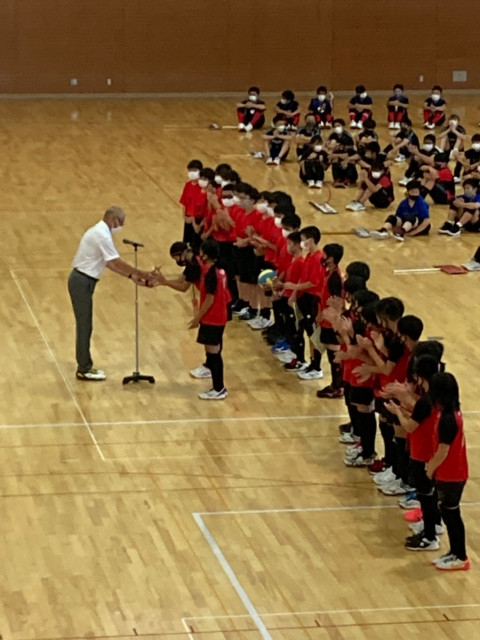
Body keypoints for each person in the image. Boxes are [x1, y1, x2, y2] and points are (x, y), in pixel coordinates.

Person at [68, 206, 152, 381]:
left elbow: (109, 263)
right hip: (82, 282)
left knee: (85, 325)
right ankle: (84, 368)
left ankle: (85, 365)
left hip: (84, 281)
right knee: (84, 325)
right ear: (113, 220)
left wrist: (131, 276)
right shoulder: (102, 235)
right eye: (121, 223)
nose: (121, 227)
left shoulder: (101, 232)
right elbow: (116, 261)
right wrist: (143, 273)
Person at [427, 372, 469, 571]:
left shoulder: (448, 419)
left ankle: (460, 556)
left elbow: (443, 451)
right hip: (452, 472)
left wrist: (430, 468)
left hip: (452, 474)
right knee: (448, 513)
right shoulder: (449, 413)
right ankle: (454, 551)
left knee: (452, 515)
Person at [187, 239, 231, 400]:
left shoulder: (211, 274)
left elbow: (209, 299)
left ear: (206, 254)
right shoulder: (221, 270)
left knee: (213, 354)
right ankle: (217, 386)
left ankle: (219, 388)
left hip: (212, 318)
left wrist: (197, 318)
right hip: (220, 316)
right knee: (214, 352)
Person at [283, 226, 325, 373]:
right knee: (303, 329)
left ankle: (316, 366)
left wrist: (294, 286)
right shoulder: (309, 256)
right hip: (304, 297)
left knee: (313, 333)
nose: (301, 243)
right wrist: (294, 293)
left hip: (313, 299)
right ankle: (305, 361)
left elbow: (313, 282)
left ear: (310, 240)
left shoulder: (318, 258)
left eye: (302, 240)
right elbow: (303, 277)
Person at [327, 119, 357, 187]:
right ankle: (337, 179)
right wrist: (331, 146)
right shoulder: (332, 136)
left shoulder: (348, 137)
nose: (337, 128)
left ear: (343, 126)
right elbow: (327, 146)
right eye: (335, 126)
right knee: (334, 159)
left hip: (348, 157)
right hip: (337, 156)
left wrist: (338, 153)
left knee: (348, 160)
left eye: (338, 126)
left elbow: (352, 151)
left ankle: (348, 179)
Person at [180, 159, 203, 246]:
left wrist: (193, 220)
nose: (192, 173)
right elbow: (184, 202)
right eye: (190, 171)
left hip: (197, 220)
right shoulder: (188, 185)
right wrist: (184, 217)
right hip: (188, 219)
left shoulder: (202, 187)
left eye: (194, 170)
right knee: (186, 243)